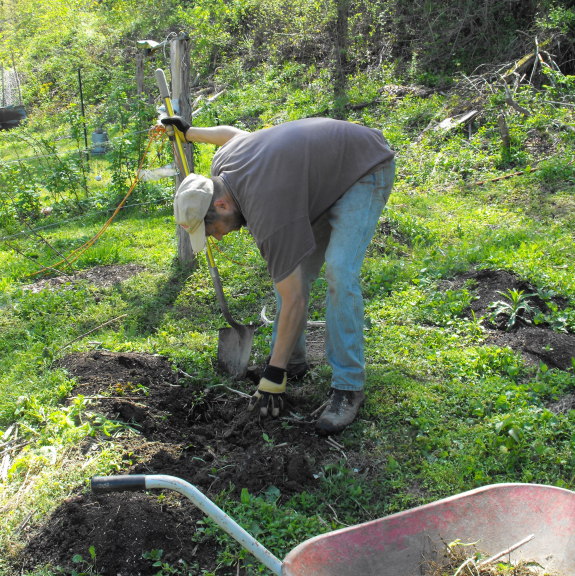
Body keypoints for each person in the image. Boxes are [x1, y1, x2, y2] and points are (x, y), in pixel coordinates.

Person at [162, 115, 396, 435]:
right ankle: (292, 362)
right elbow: (232, 135)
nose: (216, 237)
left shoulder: (267, 211)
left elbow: (296, 300)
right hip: (320, 181)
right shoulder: (223, 166)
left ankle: (347, 388)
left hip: (363, 168)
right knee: (288, 273)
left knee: (338, 272)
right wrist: (189, 133)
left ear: (221, 204)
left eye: (211, 229)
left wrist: (271, 377)